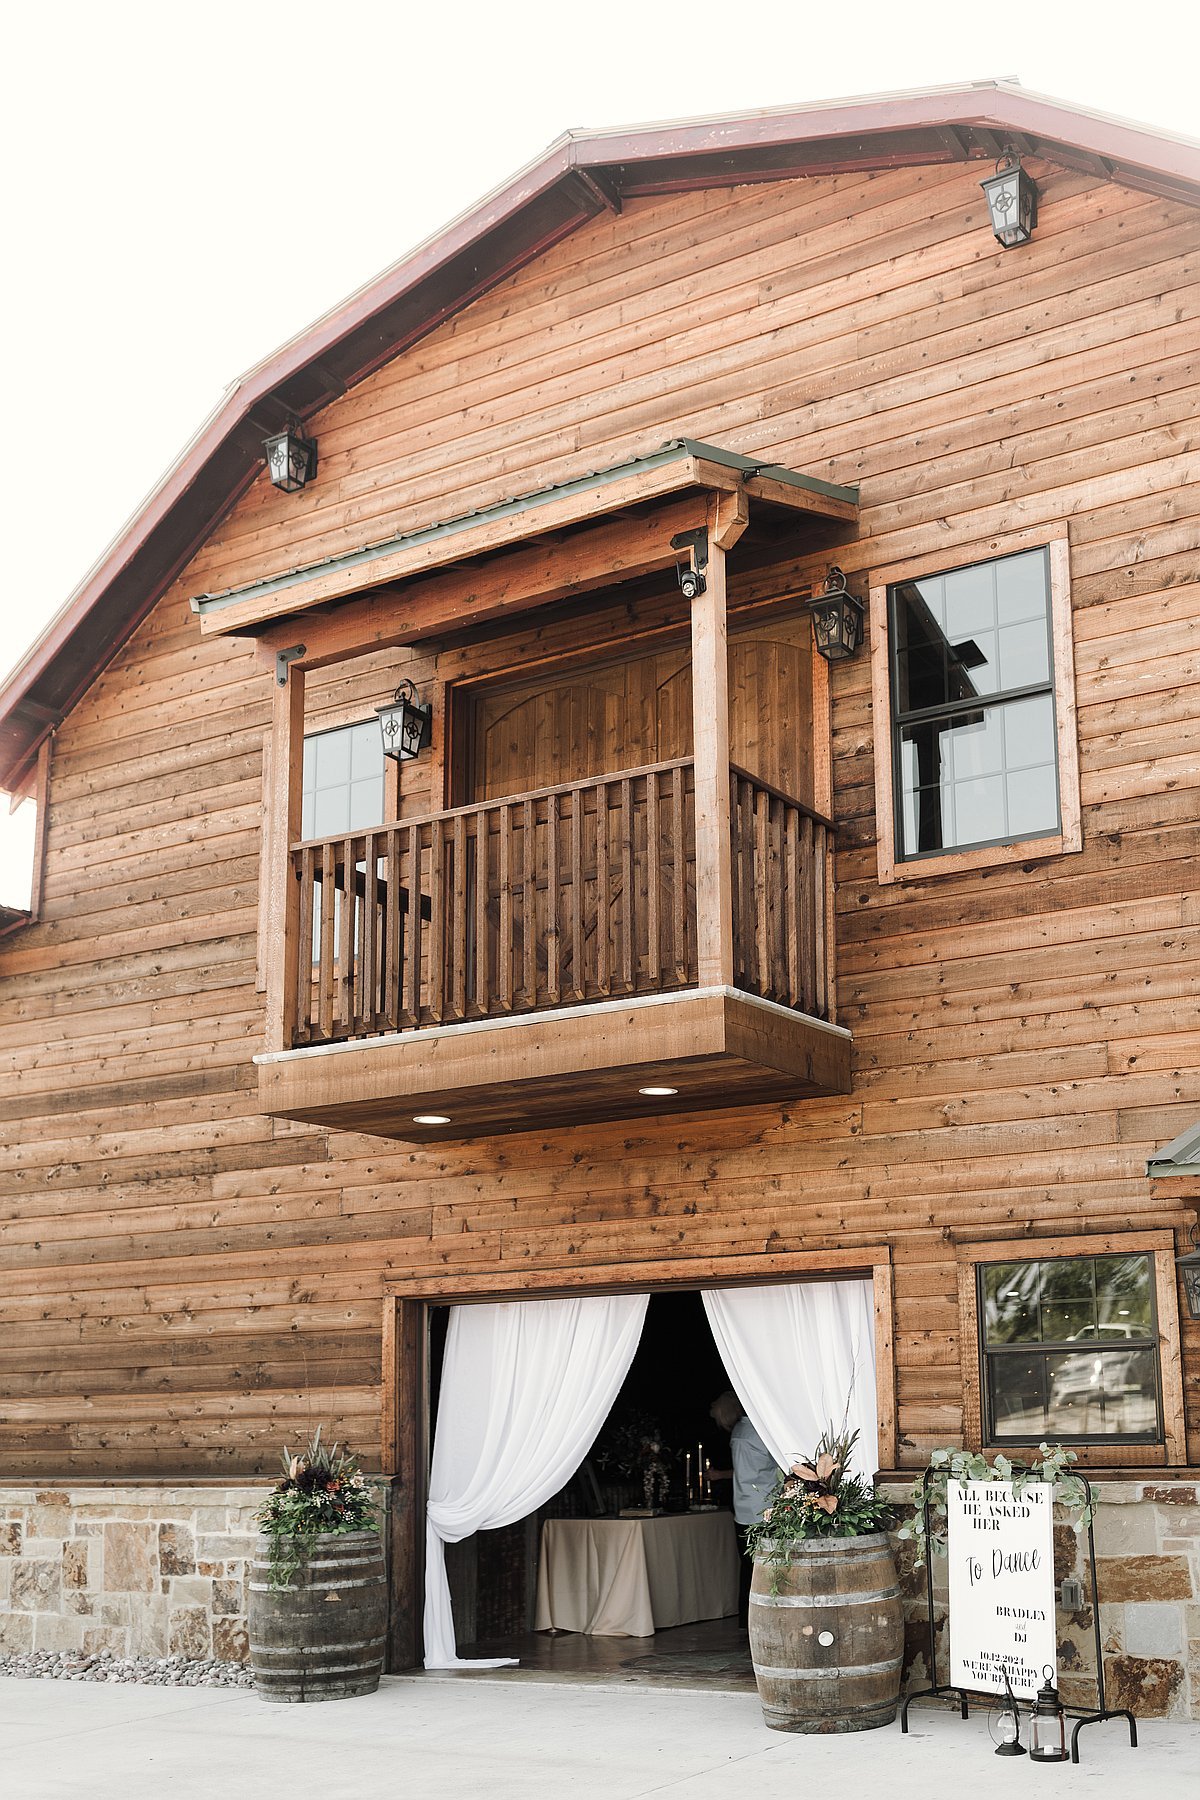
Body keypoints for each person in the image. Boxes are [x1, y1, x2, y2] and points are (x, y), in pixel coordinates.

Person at [708, 1390, 779, 1630]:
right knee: (768, 1564)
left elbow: (746, 1472)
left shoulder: (739, 1433)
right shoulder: (760, 1432)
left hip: (743, 1507)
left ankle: (745, 1618)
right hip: (765, 1506)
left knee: (748, 1565)